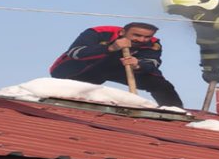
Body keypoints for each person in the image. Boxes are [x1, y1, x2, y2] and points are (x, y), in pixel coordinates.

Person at [49, 22, 184, 107]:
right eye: (136, 35)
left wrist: (138, 64)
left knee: (161, 84)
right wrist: (110, 48)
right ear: (122, 32)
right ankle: (66, 101)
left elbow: (153, 62)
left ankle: (174, 111)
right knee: (105, 64)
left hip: (120, 68)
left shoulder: (153, 43)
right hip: (80, 69)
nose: (142, 40)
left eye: (146, 37)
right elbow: (75, 53)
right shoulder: (98, 32)